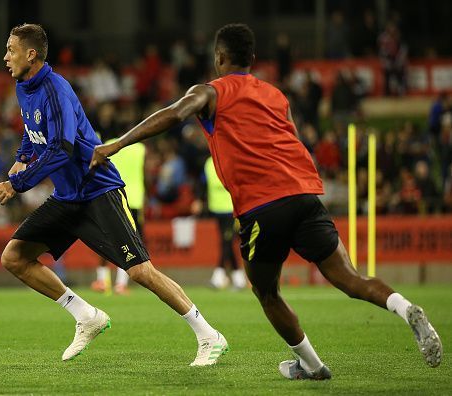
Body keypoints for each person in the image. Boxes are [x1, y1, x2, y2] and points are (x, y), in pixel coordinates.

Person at [91, 23, 442, 379]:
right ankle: (405, 306)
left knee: (266, 290)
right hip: (304, 194)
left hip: (263, 204)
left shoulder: (211, 92)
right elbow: (293, 139)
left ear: (219, 57)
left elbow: (175, 113)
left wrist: (117, 143)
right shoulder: (276, 95)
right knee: (350, 278)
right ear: (253, 59)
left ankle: (312, 364)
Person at [0, 23, 227, 366]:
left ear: (31, 54)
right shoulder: (24, 86)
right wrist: (21, 159)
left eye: (11, 49)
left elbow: (63, 148)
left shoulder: (56, 89)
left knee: (140, 272)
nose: (6, 56)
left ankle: (208, 334)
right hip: (68, 198)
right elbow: (33, 132)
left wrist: (17, 184)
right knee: (14, 257)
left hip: (99, 191)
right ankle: (86, 316)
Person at [91, 135, 146, 295]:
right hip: (135, 200)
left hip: (113, 197)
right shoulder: (139, 148)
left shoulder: (107, 145)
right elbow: (145, 175)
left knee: (107, 238)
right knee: (131, 242)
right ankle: (121, 284)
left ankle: (102, 280)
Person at [194, 156, 246, 290]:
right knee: (226, 242)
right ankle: (239, 278)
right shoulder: (209, 162)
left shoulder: (230, 160)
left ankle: (218, 276)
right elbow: (203, 183)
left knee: (226, 241)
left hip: (232, 210)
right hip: (217, 209)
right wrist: (199, 199)